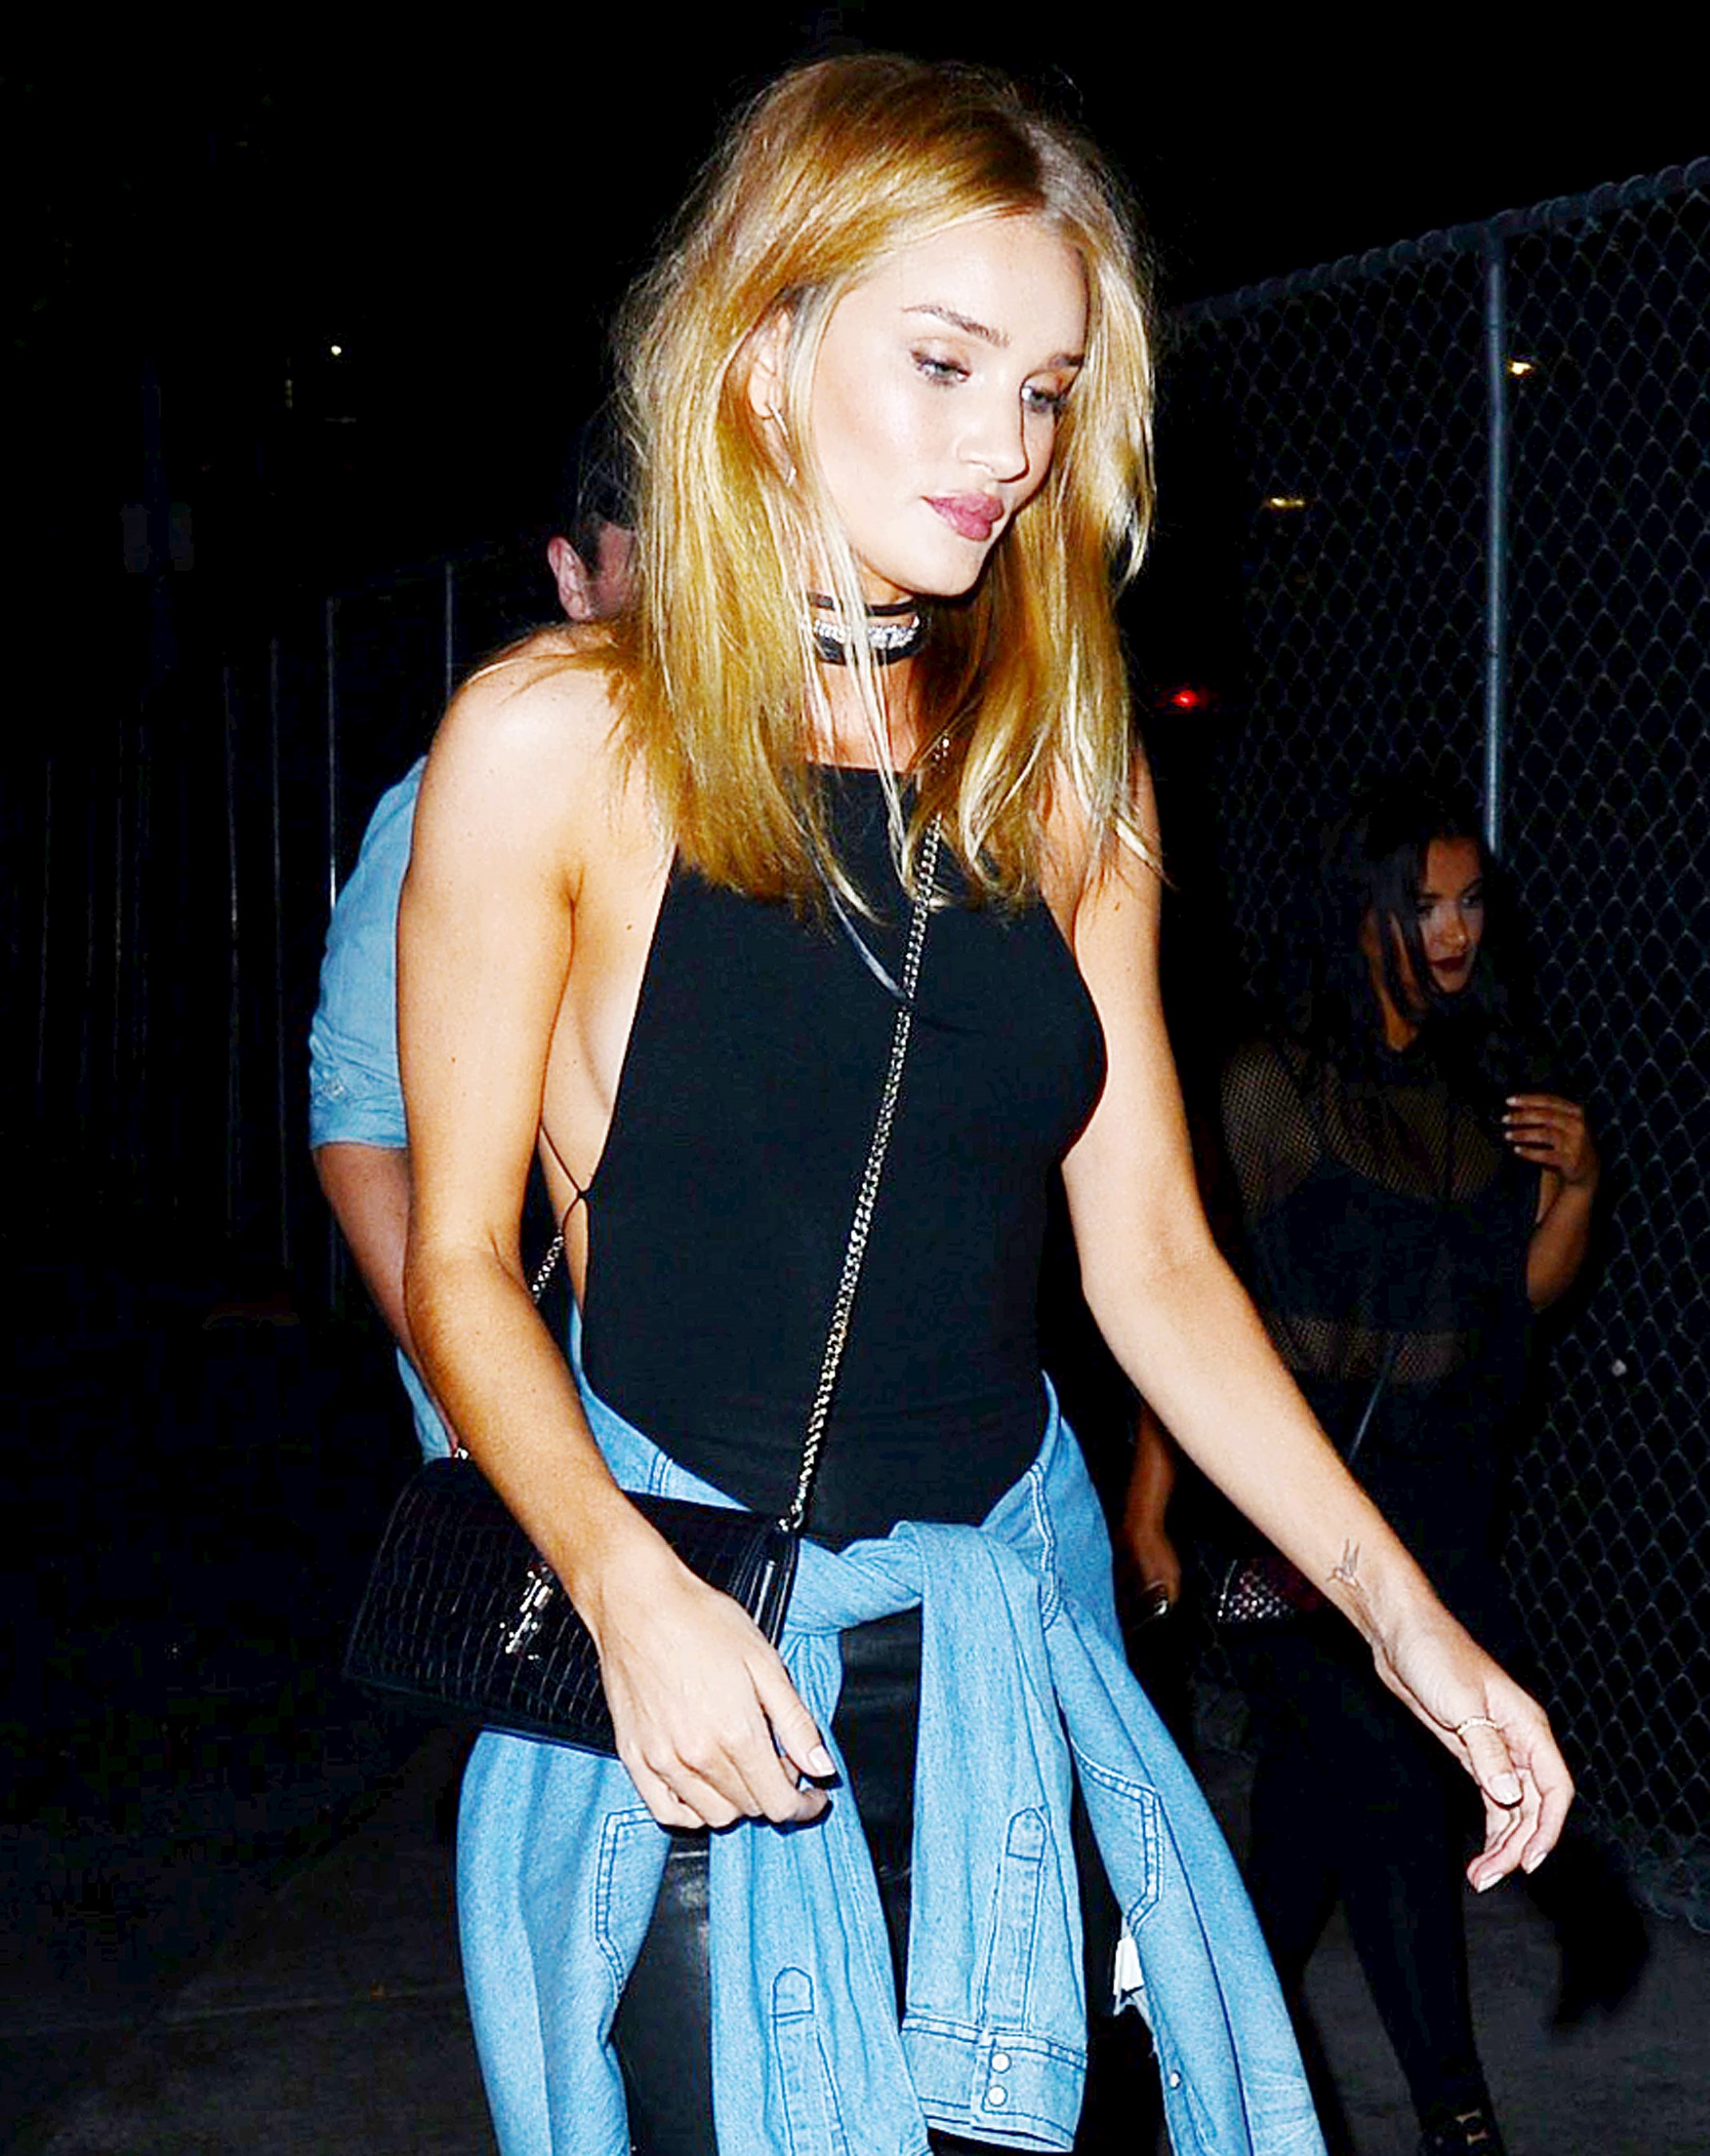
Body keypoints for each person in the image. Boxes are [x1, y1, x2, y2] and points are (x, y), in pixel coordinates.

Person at [397, 59, 1571, 2156]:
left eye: (1042, 390)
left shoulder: (1065, 778)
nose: (1006, 448)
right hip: (707, 1659)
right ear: (763, 352)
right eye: (942, 364)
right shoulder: (558, 743)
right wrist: (625, 1594)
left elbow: (1152, 1261)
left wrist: (1408, 1620)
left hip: (1010, 1669)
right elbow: (459, 1261)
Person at [1126, 781, 1606, 2156]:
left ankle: (1180, 2064)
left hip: (1438, 1505)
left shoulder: (1482, 1086)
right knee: (1392, 1786)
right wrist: (1150, 1507)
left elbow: (1518, 1296)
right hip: (1291, 1514)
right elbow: (1184, 1303)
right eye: (1420, 904)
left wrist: (1578, 1186)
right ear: (1357, 915)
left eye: (1467, 903)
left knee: (1308, 1823)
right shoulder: (1272, 1087)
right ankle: (1456, 2115)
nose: (1450, 932)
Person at [308, 417, 634, 1457]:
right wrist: (486, 1414)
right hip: (558, 1414)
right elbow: (361, 1124)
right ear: (573, 578)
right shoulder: (468, 794)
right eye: (652, 559)